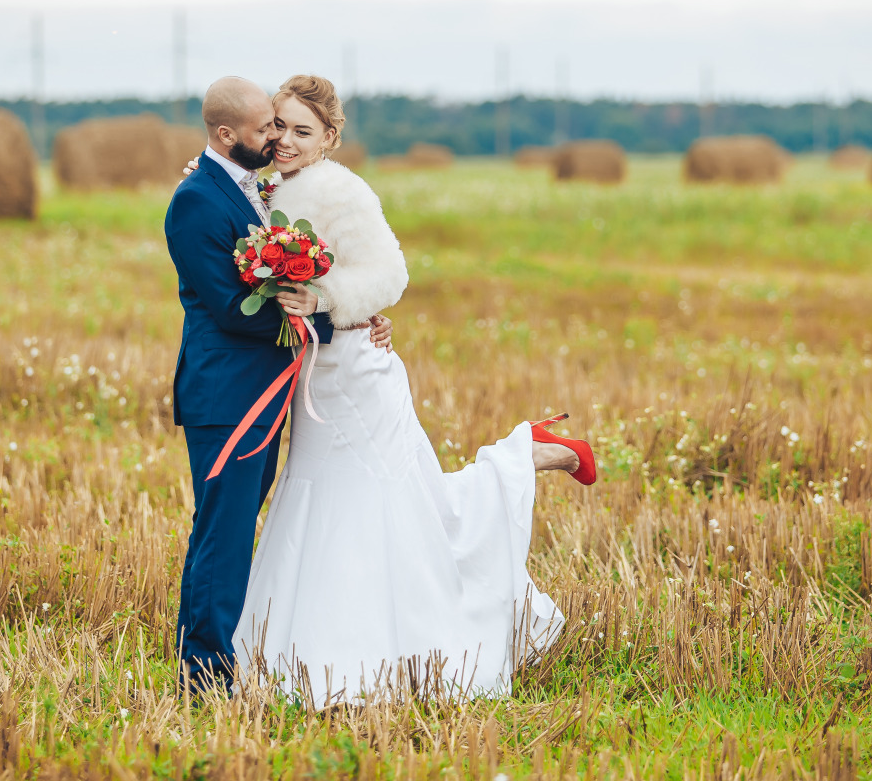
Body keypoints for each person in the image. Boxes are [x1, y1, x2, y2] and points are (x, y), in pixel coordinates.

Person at [222, 75, 595, 706]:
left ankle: (524, 457)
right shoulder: (264, 184)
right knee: (327, 495)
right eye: (279, 126)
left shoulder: (343, 190)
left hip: (357, 376)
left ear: (330, 138)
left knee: (396, 507)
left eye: (303, 131)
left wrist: (328, 300)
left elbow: (389, 273)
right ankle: (303, 648)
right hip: (311, 373)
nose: (285, 140)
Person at [163, 76, 393, 692]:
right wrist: (332, 319)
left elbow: (349, 268)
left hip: (265, 394)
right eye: (268, 128)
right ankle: (204, 675)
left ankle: (212, 658)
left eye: (286, 128)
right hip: (230, 396)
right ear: (226, 134)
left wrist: (353, 308)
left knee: (230, 531)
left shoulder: (252, 185)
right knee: (225, 535)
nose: (275, 139)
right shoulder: (198, 200)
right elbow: (235, 308)